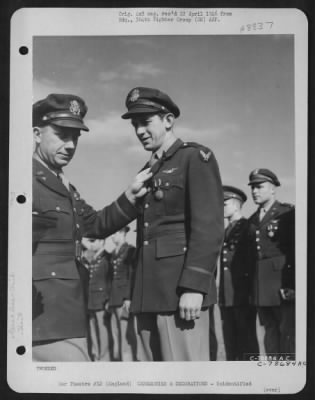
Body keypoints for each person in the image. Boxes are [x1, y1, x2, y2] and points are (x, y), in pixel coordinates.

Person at [32, 93, 152, 361]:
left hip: (68, 309)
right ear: (37, 133)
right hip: (42, 315)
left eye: (76, 137)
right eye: (62, 134)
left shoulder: (62, 184)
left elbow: (93, 224)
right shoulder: (24, 179)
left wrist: (130, 198)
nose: (71, 144)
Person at [121, 87, 224, 361]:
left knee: (185, 378)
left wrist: (194, 286)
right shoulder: (146, 171)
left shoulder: (194, 158)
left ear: (168, 120)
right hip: (148, 294)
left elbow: (208, 227)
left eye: (146, 122)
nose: (139, 130)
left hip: (180, 294)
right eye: (135, 125)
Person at [247, 169, 295, 358]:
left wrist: (292, 285)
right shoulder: (251, 221)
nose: (254, 192)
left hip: (282, 284)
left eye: (259, 187)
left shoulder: (287, 213)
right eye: (252, 188)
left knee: (288, 332)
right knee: (270, 332)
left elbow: (294, 252)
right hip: (262, 286)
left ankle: (288, 375)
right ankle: (274, 373)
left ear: (273, 188)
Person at [219, 185, 259, 360]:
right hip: (227, 297)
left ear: (236, 205)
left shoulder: (248, 228)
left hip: (242, 295)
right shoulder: (226, 231)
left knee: (246, 342)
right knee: (231, 344)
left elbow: (252, 263)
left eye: (225, 203)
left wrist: (251, 293)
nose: (221, 207)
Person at [108, 226, 137, 361]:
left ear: (123, 233)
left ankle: (127, 362)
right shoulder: (114, 253)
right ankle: (119, 361)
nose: (112, 237)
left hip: (123, 299)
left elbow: (131, 274)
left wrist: (128, 297)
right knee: (115, 333)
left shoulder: (130, 251)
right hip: (114, 298)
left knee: (126, 335)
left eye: (114, 234)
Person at [81, 238, 111, 361]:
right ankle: (95, 355)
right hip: (92, 300)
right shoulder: (93, 258)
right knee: (93, 330)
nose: (92, 244)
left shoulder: (107, 257)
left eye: (95, 241)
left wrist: (108, 299)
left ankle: (104, 358)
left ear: (102, 242)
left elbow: (110, 280)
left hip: (101, 300)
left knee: (102, 331)